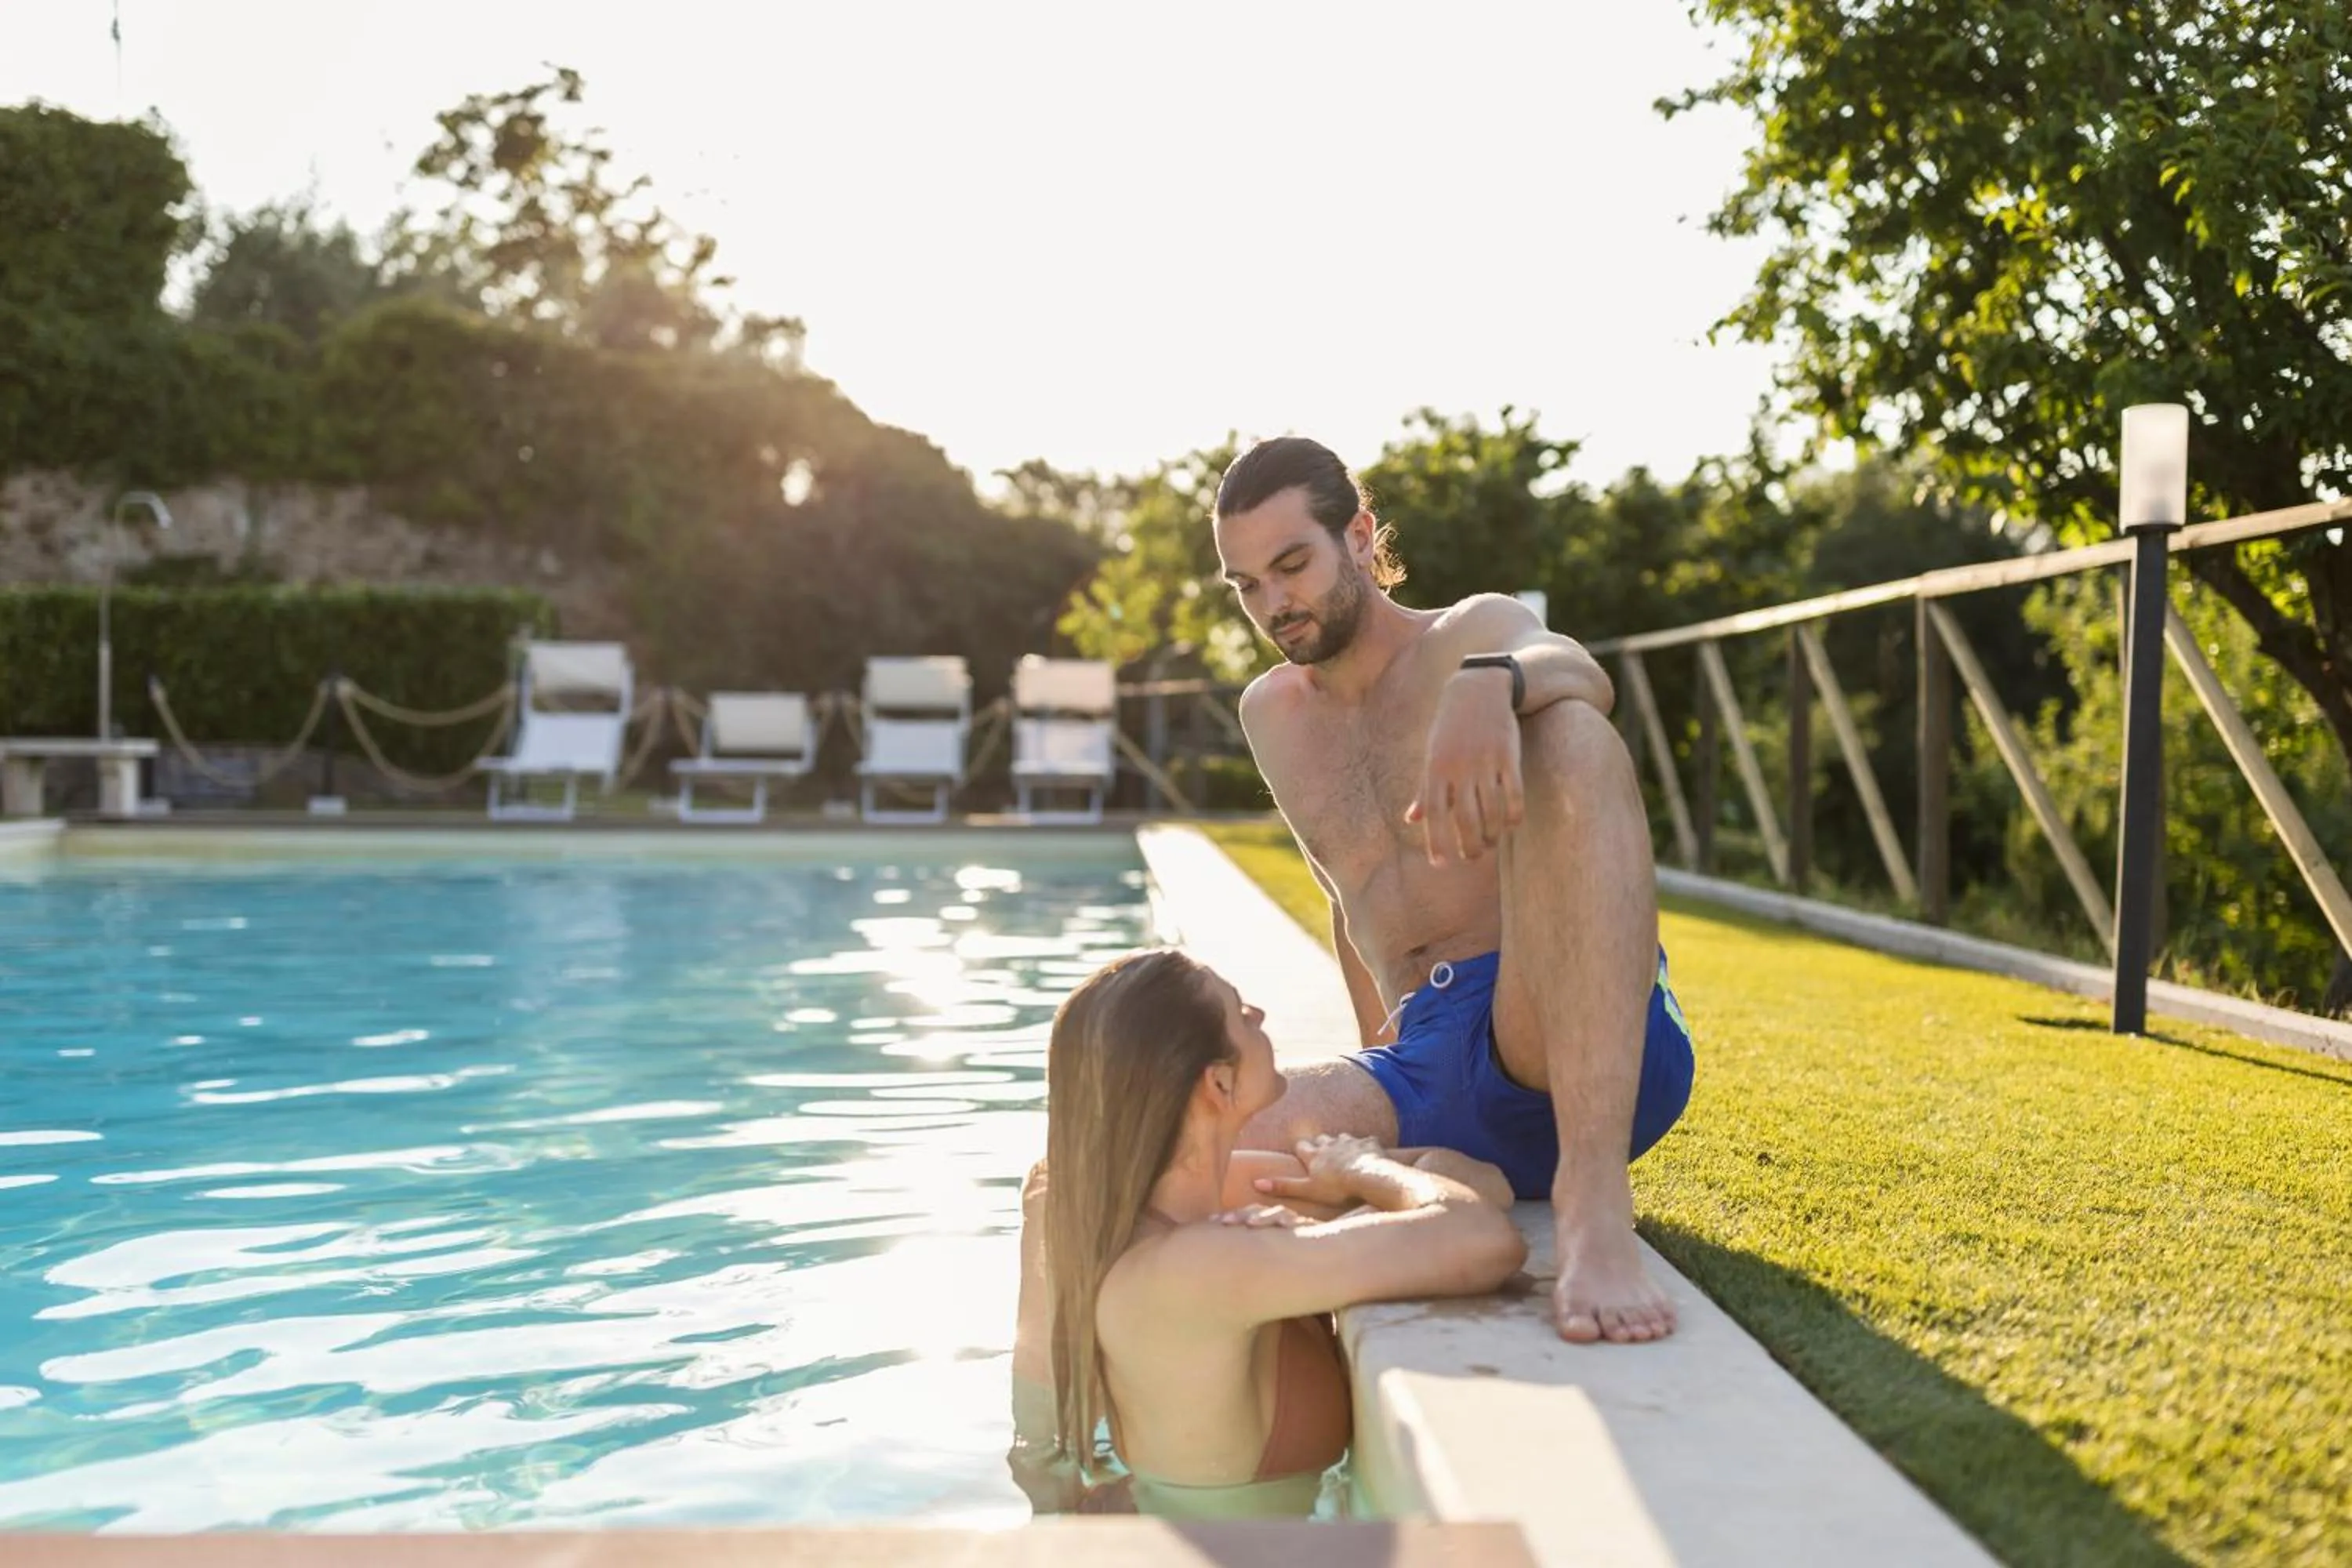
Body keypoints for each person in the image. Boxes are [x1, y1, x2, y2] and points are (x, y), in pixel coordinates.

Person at [1210, 435, 1697, 1345]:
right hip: (1426, 1063)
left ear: (1357, 537)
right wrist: (1370, 1078)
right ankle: (1431, 1169)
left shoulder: (1471, 634)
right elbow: (1346, 889)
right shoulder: (1270, 714)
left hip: (1555, 1022)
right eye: (1246, 585)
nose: (1275, 603)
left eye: (1292, 565)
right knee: (1169, 1153)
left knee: (1572, 735)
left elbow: (1578, 670)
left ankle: (1593, 1201)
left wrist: (1491, 685)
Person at [1008, 947, 1523, 1518]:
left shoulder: (1210, 1201)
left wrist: (1364, 1189)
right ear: (1220, 1085)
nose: (1259, 1015)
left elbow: (1480, 1185)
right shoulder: (1193, 1269)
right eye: (1239, 1013)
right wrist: (1362, 1175)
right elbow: (1483, 1240)